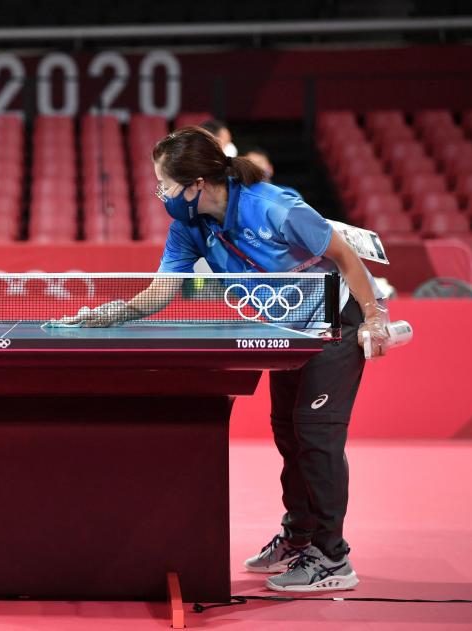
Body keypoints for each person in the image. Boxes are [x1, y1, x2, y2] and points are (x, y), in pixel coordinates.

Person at [65, 126, 390, 593]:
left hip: (336, 319)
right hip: (288, 328)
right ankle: (300, 537)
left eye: (166, 184)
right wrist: (107, 315)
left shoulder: (274, 206)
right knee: (288, 429)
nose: (162, 193)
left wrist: (375, 317)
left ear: (197, 183)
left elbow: (344, 256)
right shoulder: (190, 226)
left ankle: (333, 558)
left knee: (317, 434)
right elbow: (162, 291)